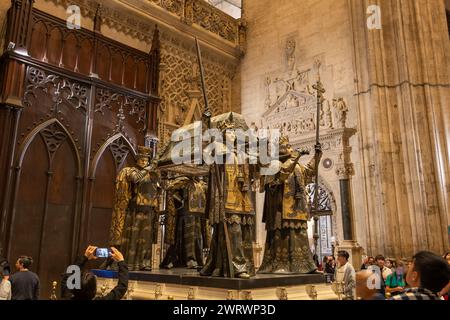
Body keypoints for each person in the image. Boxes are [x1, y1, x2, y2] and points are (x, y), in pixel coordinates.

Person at [200, 116, 256, 279]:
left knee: (243, 232)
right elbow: (206, 157)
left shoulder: (242, 154)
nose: (233, 135)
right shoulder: (220, 150)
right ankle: (237, 267)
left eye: (234, 132)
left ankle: (243, 265)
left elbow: (254, 171)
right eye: (230, 132)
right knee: (234, 231)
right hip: (227, 198)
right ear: (223, 135)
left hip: (242, 198)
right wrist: (207, 125)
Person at [258, 135, 321, 274]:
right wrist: (295, 157)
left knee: (300, 237)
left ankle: (306, 266)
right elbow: (282, 174)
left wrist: (317, 156)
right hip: (279, 211)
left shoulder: (297, 166)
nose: (289, 149)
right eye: (285, 147)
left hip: (297, 208)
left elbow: (309, 172)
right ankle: (281, 265)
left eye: (289, 146)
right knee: (282, 238)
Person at [108, 146, 160, 271]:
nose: (144, 162)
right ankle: (129, 263)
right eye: (141, 159)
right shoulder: (130, 170)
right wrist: (150, 167)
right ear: (136, 160)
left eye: (146, 160)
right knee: (133, 237)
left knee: (146, 239)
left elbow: (159, 188)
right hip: (134, 209)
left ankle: (144, 262)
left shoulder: (152, 174)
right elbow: (135, 178)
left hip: (149, 209)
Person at [160, 176, 210, 269]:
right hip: (186, 213)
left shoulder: (202, 184)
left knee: (197, 238)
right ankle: (190, 259)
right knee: (188, 237)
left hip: (198, 214)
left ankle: (197, 259)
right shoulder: (182, 181)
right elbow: (170, 189)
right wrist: (181, 200)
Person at [61, 246, 128, 300]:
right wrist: (121, 261)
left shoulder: (67, 296)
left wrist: (85, 257)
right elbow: (121, 288)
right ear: (94, 291)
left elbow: (66, 276)